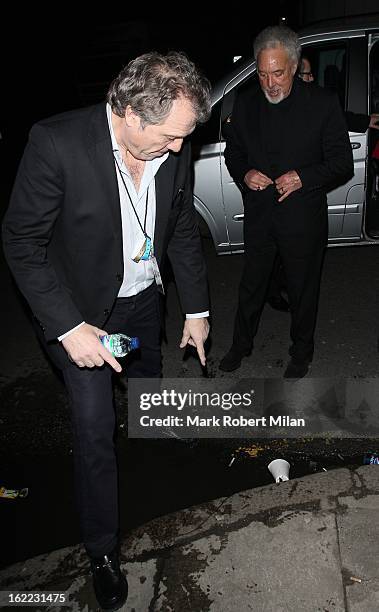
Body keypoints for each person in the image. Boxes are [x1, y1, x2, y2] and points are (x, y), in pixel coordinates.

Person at [2, 51, 211, 611]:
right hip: (85, 319)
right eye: (169, 136)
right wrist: (68, 327)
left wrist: (196, 309)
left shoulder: (172, 143)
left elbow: (183, 226)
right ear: (131, 114)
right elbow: (21, 242)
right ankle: (102, 551)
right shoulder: (55, 144)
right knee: (94, 430)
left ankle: (156, 427)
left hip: (143, 305)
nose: (178, 147)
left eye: (182, 136)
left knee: (148, 377)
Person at [219, 25, 353, 378]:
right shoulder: (246, 103)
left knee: (303, 288)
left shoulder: (322, 104)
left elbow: (341, 163)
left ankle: (301, 351)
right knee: (252, 285)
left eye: (277, 73)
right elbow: (234, 152)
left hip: (302, 219)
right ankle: (240, 345)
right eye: (262, 74)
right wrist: (244, 173)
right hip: (260, 216)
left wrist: (303, 177)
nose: (270, 83)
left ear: (294, 66)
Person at [297, 54, 379, 131]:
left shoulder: (310, 97)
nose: (312, 79)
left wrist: (366, 121)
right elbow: (332, 117)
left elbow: (333, 115)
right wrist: (365, 121)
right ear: (297, 76)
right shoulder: (298, 103)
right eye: (309, 74)